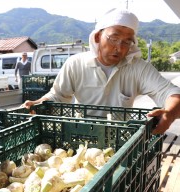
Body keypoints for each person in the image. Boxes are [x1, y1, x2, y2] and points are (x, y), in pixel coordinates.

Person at [22, 8, 180, 134]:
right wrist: (38, 103)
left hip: (120, 139)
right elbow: (58, 96)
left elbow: (170, 92)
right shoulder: (76, 64)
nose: (119, 47)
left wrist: (170, 113)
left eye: (127, 41)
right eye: (114, 38)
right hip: (80, 135)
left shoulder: (138, 68)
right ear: (98, 37)